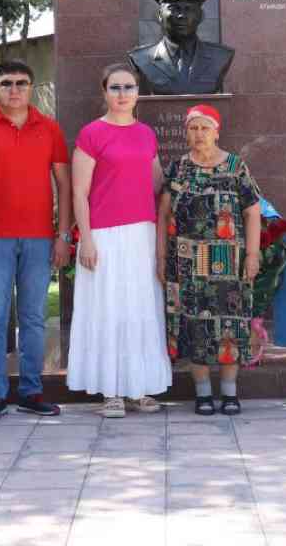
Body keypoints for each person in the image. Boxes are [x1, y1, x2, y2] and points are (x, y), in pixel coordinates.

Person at [0, 60, 72, 423]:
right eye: (6, 83)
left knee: (35, 318)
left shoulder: (49, 128)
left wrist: (63, 235)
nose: (15, 89)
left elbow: (65, 185)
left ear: (32, 88)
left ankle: (31, 392)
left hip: (40, 239)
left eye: (22, 83)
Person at [68, 63, 172, 417]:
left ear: (138, 93)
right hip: (104, 235)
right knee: (109, 310)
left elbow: (159, 185)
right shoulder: (91, 134)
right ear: (104, 92)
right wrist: (86, 240)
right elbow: (79, 192)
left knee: (140, 309)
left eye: (129, 87)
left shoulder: (146, 135)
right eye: (115, 88)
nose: (123, 94)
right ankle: (111, 392)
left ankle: (140, 387)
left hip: (142, 234)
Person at [157, 105, 262, 415]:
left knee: (231, 324)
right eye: (193, 128)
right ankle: (203, 393)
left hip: (229, 264)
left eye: (205, 128)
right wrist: (161, 257)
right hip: (186, 265)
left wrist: (253, 255)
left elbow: (252, 211)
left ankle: (229, 393)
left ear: (217, 131)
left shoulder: (235, 166)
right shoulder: (177, 169)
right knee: (192, 326)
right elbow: (163, 215)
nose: (199, 134)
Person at [127, 0, 235, 95]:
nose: (181, 15)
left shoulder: (221, 57)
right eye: (174, 8)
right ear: (160, 15)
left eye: (188, 9)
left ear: (200, 16)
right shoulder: (141, 58)